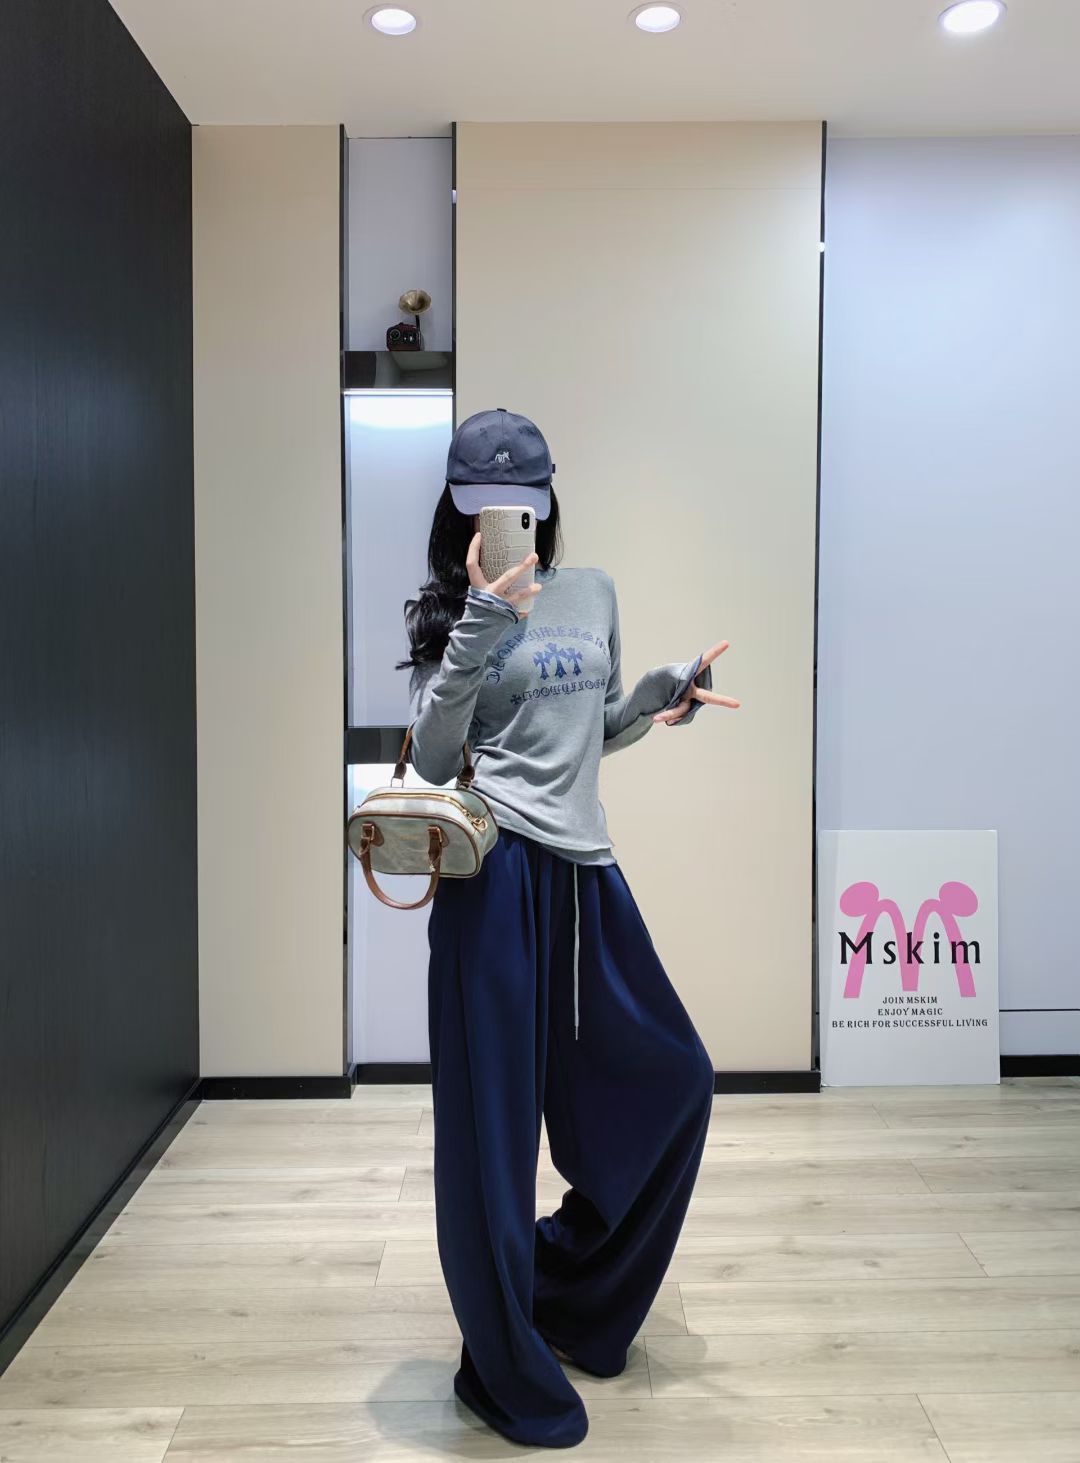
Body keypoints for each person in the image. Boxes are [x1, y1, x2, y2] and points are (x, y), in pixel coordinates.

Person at [397, 407, 740, 1448]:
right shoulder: (459, 611)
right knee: (492, 1142)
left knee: (676, 1082)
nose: (506, 521)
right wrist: (477, 624)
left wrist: (657, 698)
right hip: (493, 881)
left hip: (587, 879)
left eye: (521, 503)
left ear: (548, 501)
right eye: (484, 505)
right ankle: (499, 1368)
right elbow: (431, 762)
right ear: (459, 510)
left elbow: (590, 730)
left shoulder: (592, 591)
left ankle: (569, 1293)